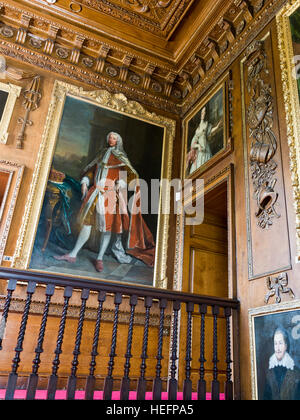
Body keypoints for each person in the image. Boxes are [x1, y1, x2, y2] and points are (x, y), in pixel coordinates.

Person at [54, 131, 155, 272]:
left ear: (118, 140)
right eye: (109, 137)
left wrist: (120, 184)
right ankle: (72, 254)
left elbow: (128, 175)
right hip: (94, 193)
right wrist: (85, 182)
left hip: (109, 195)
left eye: (114, 138)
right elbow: (91, 171)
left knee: (107, 228)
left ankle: (99, 258)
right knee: (86, 223)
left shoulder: (121, 157)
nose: (111, 139)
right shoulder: (101, 154)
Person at [263, 327, 300, 400]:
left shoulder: (296, 373)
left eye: (280, 343)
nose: (278, 348)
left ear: (286, 346)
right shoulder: (269, 373)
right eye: (275, 344)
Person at [186, 106, 222, 175]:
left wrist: (217, 127)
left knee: (208, 164)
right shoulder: (197, 129)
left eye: (205, 112)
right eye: (202, 112)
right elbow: (193, 143)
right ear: (200, 114)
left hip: (206, 146)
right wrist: (198, 145)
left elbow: (210, 131)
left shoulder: (206, 124)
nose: (203, 114)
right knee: (200, 166)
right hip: (200, 150)